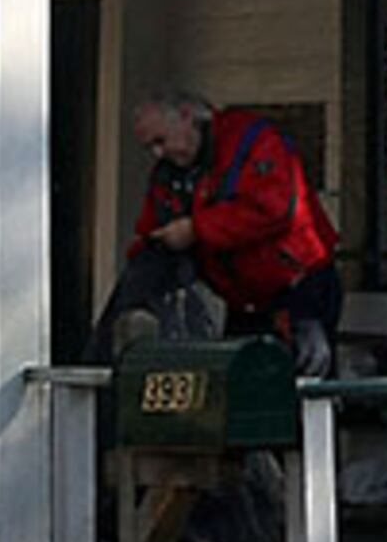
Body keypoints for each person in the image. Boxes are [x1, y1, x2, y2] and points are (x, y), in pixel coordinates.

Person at [127, 90, 343, 376]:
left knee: (304, 381)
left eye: (160, 141)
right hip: (244, 298)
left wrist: (196, 229)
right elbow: (151, 230)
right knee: (244, 387)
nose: (158, 153)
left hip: (298, 287)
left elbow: (274, 210)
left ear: (186, 117)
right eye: (149, 147)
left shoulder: (255, 142)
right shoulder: (169, 174)